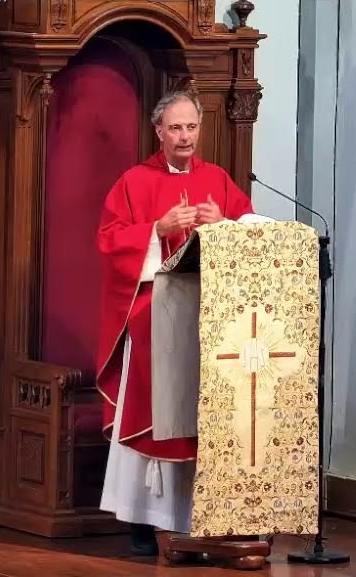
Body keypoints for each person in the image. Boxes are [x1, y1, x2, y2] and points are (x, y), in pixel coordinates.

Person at [95, 90, 265, 555]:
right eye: (175, 128)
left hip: (210, 319)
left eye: (191, 127)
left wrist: (223, 224)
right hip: (154, 316)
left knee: (206, 416)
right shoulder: (134, 182)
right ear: (159, 132)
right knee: (152, 411)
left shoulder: (217, 179)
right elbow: (109, 243)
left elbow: (252, 230)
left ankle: (200, 519)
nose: (185, 136)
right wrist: (157, 230)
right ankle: (142, 520)